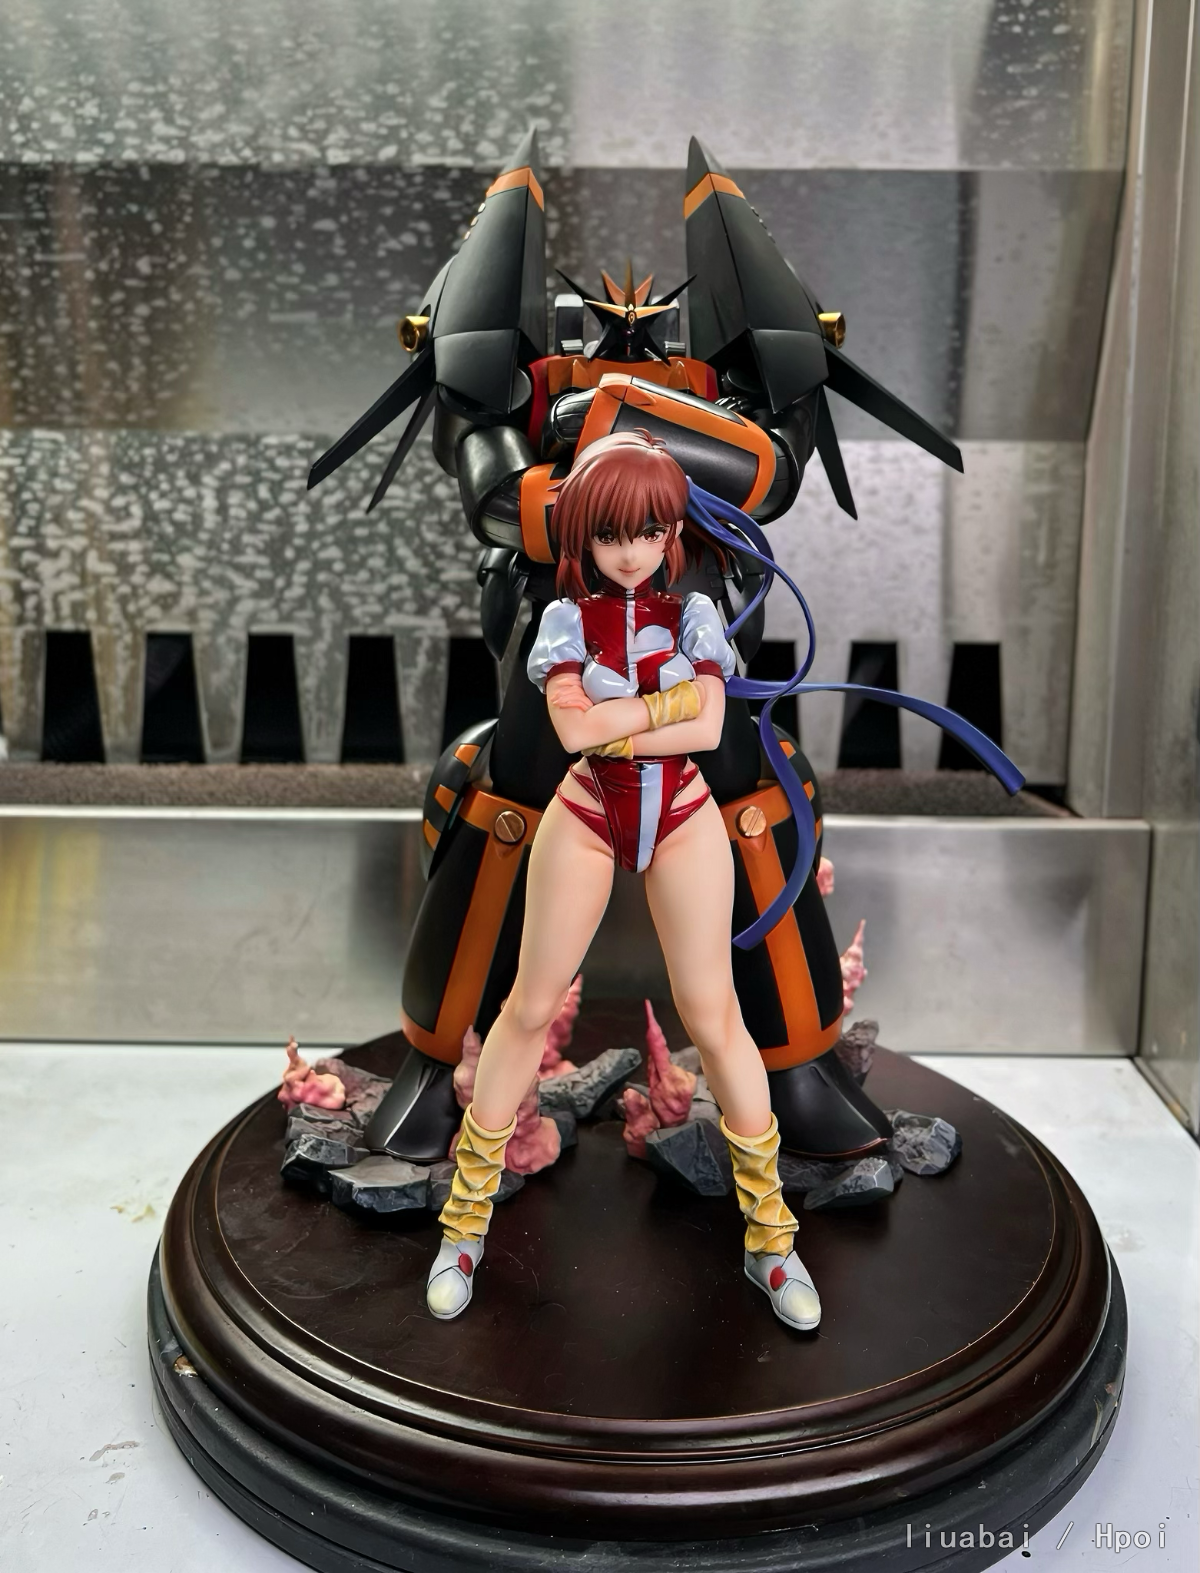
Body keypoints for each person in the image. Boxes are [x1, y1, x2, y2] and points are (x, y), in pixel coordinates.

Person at [425, 430, 821, 1332]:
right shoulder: (565, 618)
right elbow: (572, 735)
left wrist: (622, 713)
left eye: (648, 531)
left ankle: (771, 1239)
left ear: (672, 531)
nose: (632, 551)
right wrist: (666, 704)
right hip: (588, 810)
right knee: (528, 1006)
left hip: (682, 810)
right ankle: (463, 1228)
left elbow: (709, 730)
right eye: (610, 534)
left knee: (715, 1015)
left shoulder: (695, 613)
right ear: (583, 539)